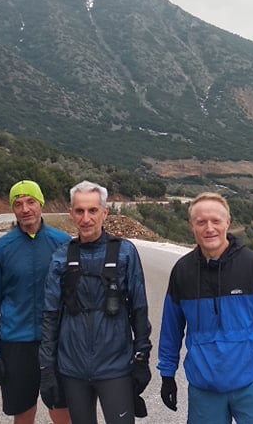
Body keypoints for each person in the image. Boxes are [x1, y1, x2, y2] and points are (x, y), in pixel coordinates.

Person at [158, 192, 253, 424]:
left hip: (252, 384)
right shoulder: (182, 271)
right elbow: (171, 329)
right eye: (201, 222)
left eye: (216, 221)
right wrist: (167, 374)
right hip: (204, 389)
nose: (209, 228)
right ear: (191, 226)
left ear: (228, 223)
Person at [39, 180, 152, 424]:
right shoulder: (61, 257)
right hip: (72, 367)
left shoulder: (125, 252)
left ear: (105, 212)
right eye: (79, 211)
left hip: (115, 366)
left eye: (93, 210)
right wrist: (46, 367)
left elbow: (139, 309)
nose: (86, 218)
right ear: (71, 213)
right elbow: (50, 315)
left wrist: (142, 356)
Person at [0, 180, 72, 424]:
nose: (25, 209)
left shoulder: (63, 243)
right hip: (16, 345)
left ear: (41, 203)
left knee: (62, 412)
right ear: (13, 208)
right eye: (18, 204)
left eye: (31, 201)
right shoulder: (1, 248)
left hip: (55, 343)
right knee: (23, 414)